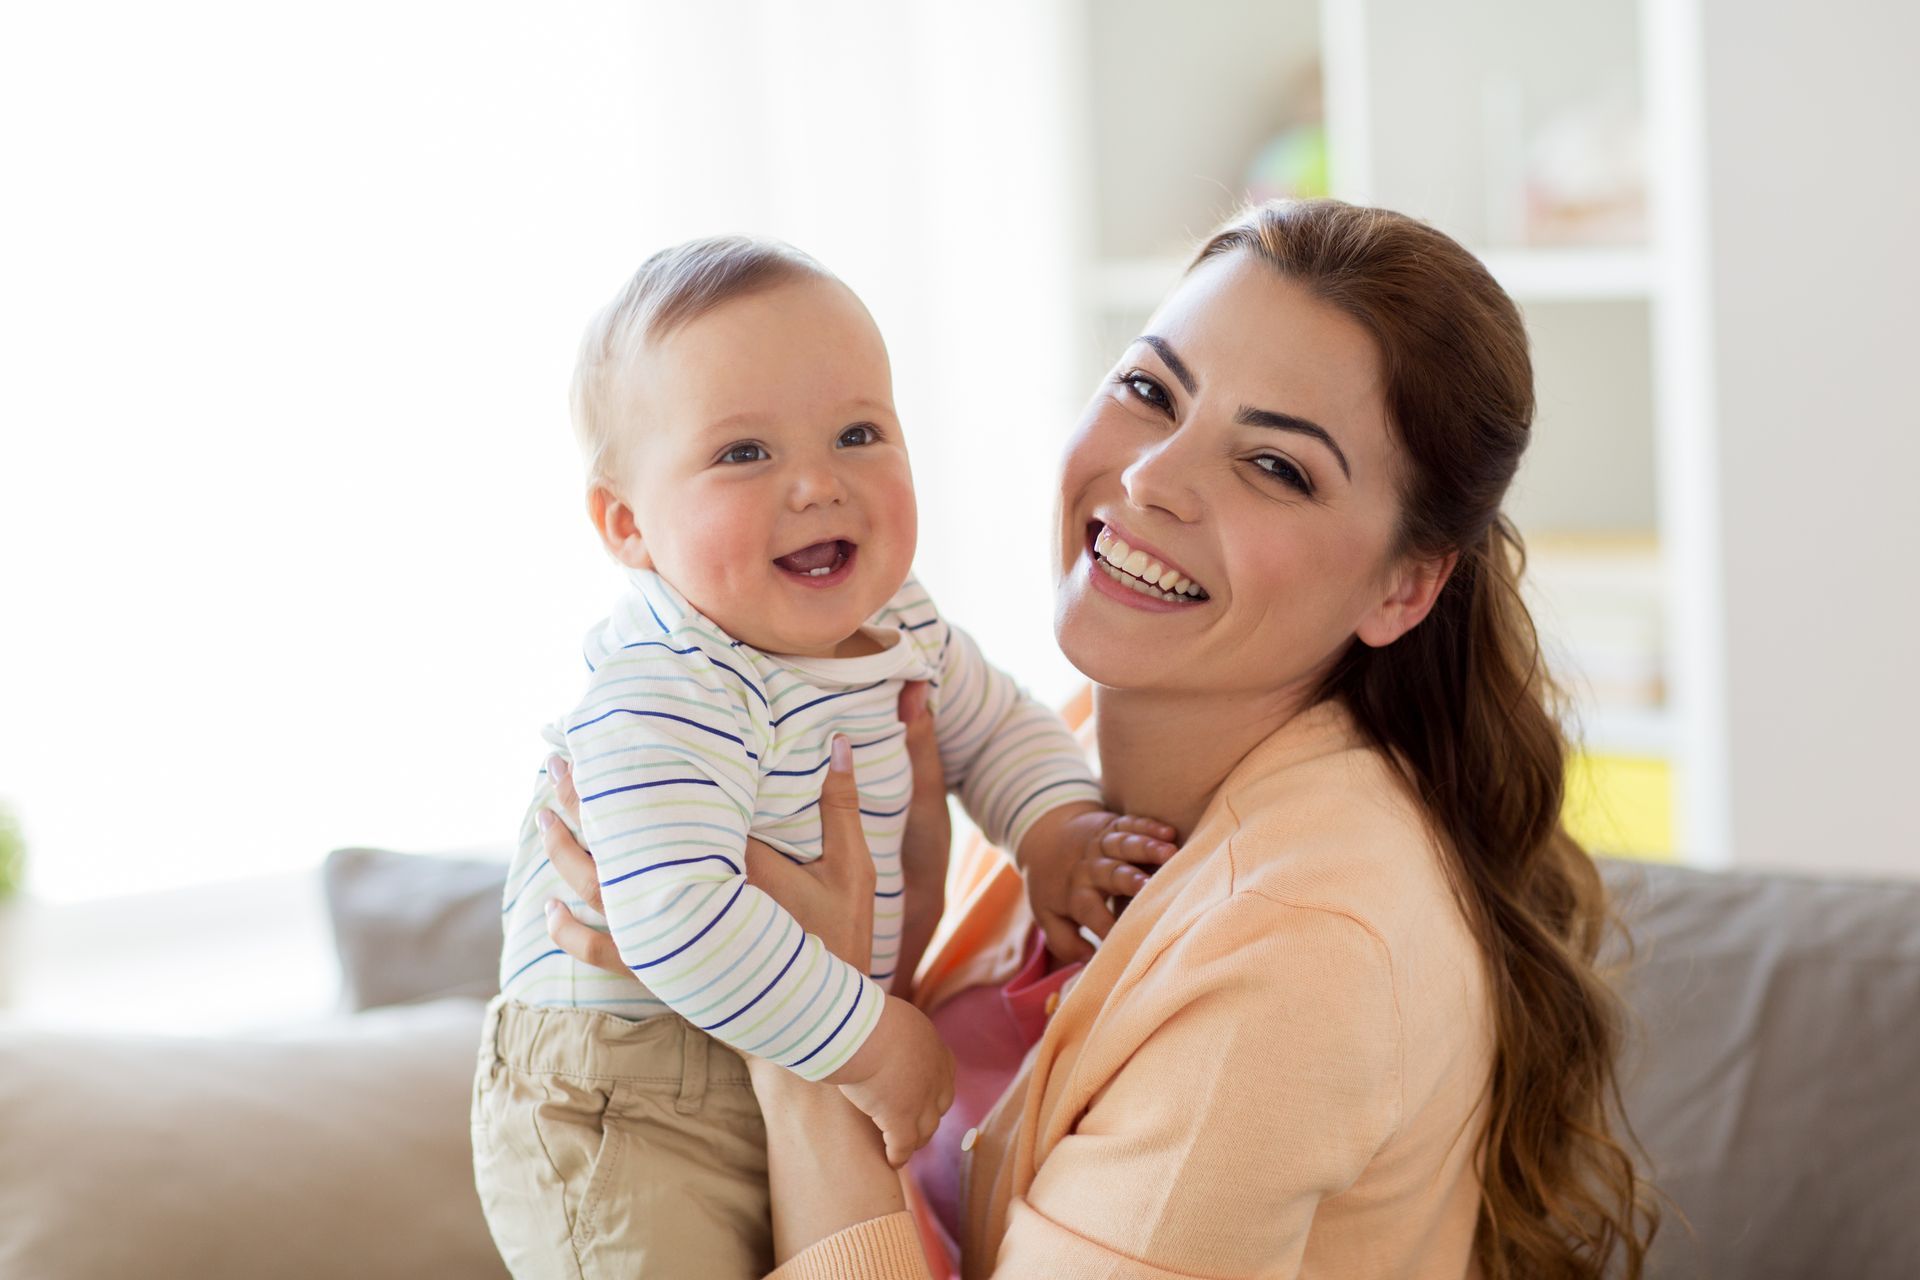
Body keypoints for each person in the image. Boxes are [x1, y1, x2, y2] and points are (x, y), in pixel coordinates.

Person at [541, 201, 1659, 1279]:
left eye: (1276, 465)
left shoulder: (1299, 950)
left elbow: (856, 1066)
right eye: (1147, 389)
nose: (1149, 476)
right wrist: (871, 955)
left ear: (1405, 586)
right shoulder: (1067, 763)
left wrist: (798, 1048)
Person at [472, 236, 1180, 1280]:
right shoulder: (668, 683)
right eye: (744, 453)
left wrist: (1056, 827)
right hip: (626, 1093)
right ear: (627, 524)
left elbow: (997, 726)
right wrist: (872, 1040)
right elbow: (672, 914)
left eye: (857, 432)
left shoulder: (902, 624)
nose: (816, 483)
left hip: (784, 1039)